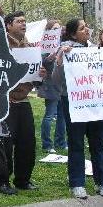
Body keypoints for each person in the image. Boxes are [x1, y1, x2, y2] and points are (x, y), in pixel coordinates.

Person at [53, 19, 103, 199]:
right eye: (82, 28)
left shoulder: (95, 49)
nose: (86, 29)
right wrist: (60, 61)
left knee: (98, 142)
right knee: (77, 142)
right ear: (73, 34)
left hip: (95, 103)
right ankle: (77, 183)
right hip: (74, 103)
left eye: (86, 26)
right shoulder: (64, 50)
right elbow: (57, 81)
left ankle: (102, 182)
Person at [0, 11, 45, 195]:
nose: (23, 24)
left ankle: (23, 179)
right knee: (5, 143)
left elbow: (34, 75)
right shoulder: (0, 44)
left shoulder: (30, 46)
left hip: (23, 100)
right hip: (5, 100)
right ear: (8, 25)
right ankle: (2, 181)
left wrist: (40, 74)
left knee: (27, 141)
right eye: (19, 21)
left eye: (25, 21)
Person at [37, 20, 67, 154]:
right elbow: (38, 62)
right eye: (54, 28)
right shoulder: (44, 45)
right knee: (49, 115)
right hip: (50, 85)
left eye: (59, 28)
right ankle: (47, 144)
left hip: (63, 85)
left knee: (62, 116)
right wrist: (48, 59)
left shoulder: (63, 44)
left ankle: (61, 142)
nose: (57, 30)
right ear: (48, 30)